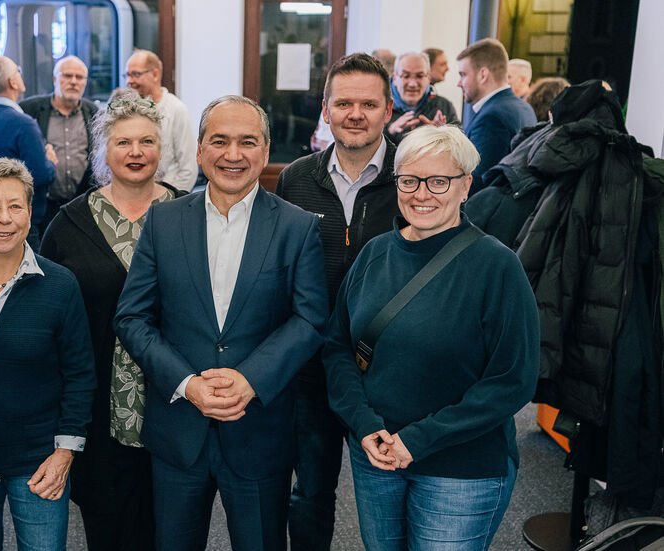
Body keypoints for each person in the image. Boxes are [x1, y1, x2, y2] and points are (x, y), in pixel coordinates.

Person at [114, 95, 329, 551]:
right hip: (178, 431)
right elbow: (132, 316)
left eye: (247, 142)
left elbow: (310, 319)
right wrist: (186, 383)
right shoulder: (163, 220)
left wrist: (252, 379)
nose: (233, 155)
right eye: (219, 141)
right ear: (198, 150)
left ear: (266, 153)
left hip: (259, 431)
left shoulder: (297, 227)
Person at [323, 125, 539, 550]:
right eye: (410, 180)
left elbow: (511, 380)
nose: (422, 193)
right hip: (377, 457)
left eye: (439, 181)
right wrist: (363, 424)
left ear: (465, 186)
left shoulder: (497, 267)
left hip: (460, 469)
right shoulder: (375, 253)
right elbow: (337, 348)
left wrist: (418, 439)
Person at [41, 88, 186, 551]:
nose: (136, 152)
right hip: (99, 407)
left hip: (177, 404)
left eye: (147, 141)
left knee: (173, 528)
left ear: (161, 149)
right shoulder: (69, 225)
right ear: (104, 150)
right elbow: (49, 321)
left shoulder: (190, 215)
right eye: (123, 142)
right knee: (109, 526)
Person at [276, 52, 401, 551]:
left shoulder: (411, 177)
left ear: (388, 110)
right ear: (325, 110)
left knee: (391, 494)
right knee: (310, 494)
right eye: (343, 103)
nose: (355, 114)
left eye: (368, 104)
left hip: (392, 371)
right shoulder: (296, 178)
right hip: (313, 370)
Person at [0, 157, 96, 551]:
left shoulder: (60, 286)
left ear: (30, 213)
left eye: (15, 206)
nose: (4, 218)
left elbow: (80, 374)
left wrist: (65, 453)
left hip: (39, 460)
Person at [0, 55, 57, 245]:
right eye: (18, 71)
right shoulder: (24, 124)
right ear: (13, 82)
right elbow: (38, 175)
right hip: (18, 229)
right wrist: (51, 163)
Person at [20, 56, 100, 230]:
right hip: (43, 205)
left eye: (79, 77)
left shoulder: (94, 112)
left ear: (85, 83)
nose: (73, 82)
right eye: (67, 76)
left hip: (82, 205)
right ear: (55, 79)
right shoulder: (30, 110)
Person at [456, 38, 536, 194]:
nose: (459, 83)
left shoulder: (491, 118)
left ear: (483, 75)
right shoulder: (524, 108)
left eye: (463, 75)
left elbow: (477, 183)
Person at [125, 49, 198, 191]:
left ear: (155, 74)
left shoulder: (177, 110)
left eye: (136, 74)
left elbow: (188, 169)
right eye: (127, 75)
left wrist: (169, 201)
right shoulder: (127, 111)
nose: (129, 81)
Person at [386, 52, 459, 143]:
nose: (412, 84)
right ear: (395, 78)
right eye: (406, 76)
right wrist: (390, 131)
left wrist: (442, 134)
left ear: (428, 78)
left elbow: (460, 146)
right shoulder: (382, 107)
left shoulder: (444, 106)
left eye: (419, 76)